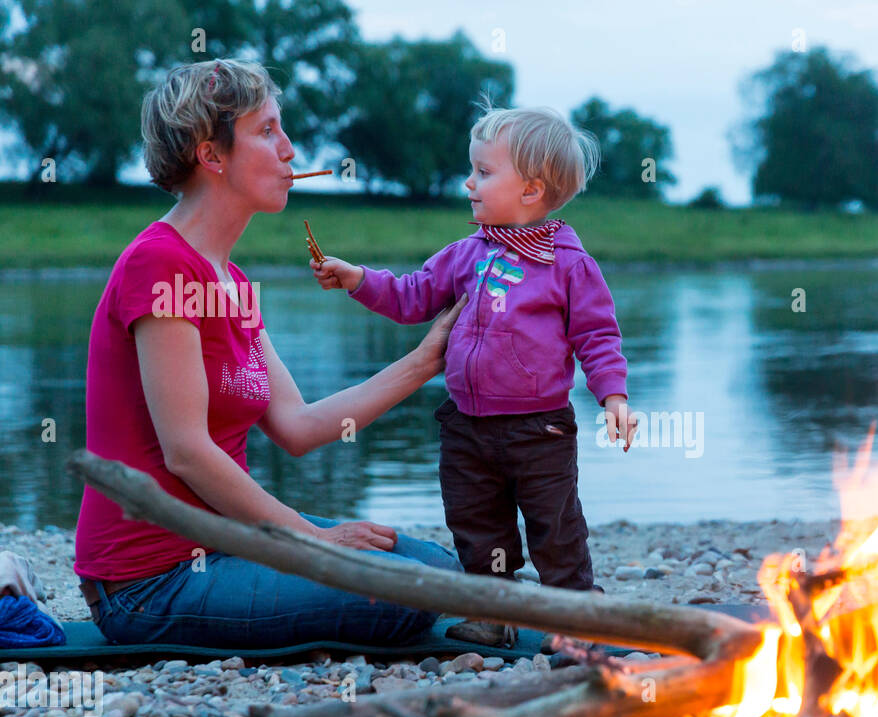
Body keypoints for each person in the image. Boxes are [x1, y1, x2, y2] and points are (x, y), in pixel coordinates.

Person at [73, 58, 467, 649]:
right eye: (267, 131)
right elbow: (187, 454)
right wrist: (312, 539)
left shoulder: (230, 278)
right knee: (408, 590)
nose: (290, 150)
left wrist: (424, 359)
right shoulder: (160, 264)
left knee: (435, 566)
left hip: (231, 545)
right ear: (212, 155)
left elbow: (298, 426)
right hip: (150, 582)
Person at [312, 98, 636, 639]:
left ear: (531, 190)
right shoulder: (465, 254)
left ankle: (575, 616)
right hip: (465, 424)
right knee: (475, 520)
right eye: (472, 170)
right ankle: (493, 612)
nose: (468, 183)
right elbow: (412, 296)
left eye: (484, 172)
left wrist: (614, 397)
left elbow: (597, 336)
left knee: (554, 526)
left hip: (541, 429)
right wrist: (358, 279)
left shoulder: (569, 265)